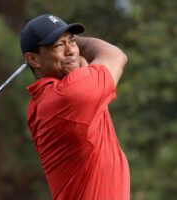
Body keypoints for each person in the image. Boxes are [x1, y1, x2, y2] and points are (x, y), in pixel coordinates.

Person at [20, 14, 130, 200]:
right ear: (33, 59)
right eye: (58, 45)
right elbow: (116, 55)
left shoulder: (41, 101)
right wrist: (78, 43)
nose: (71, 50)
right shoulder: (70, 94)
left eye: (71, 40)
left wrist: (65, 45)